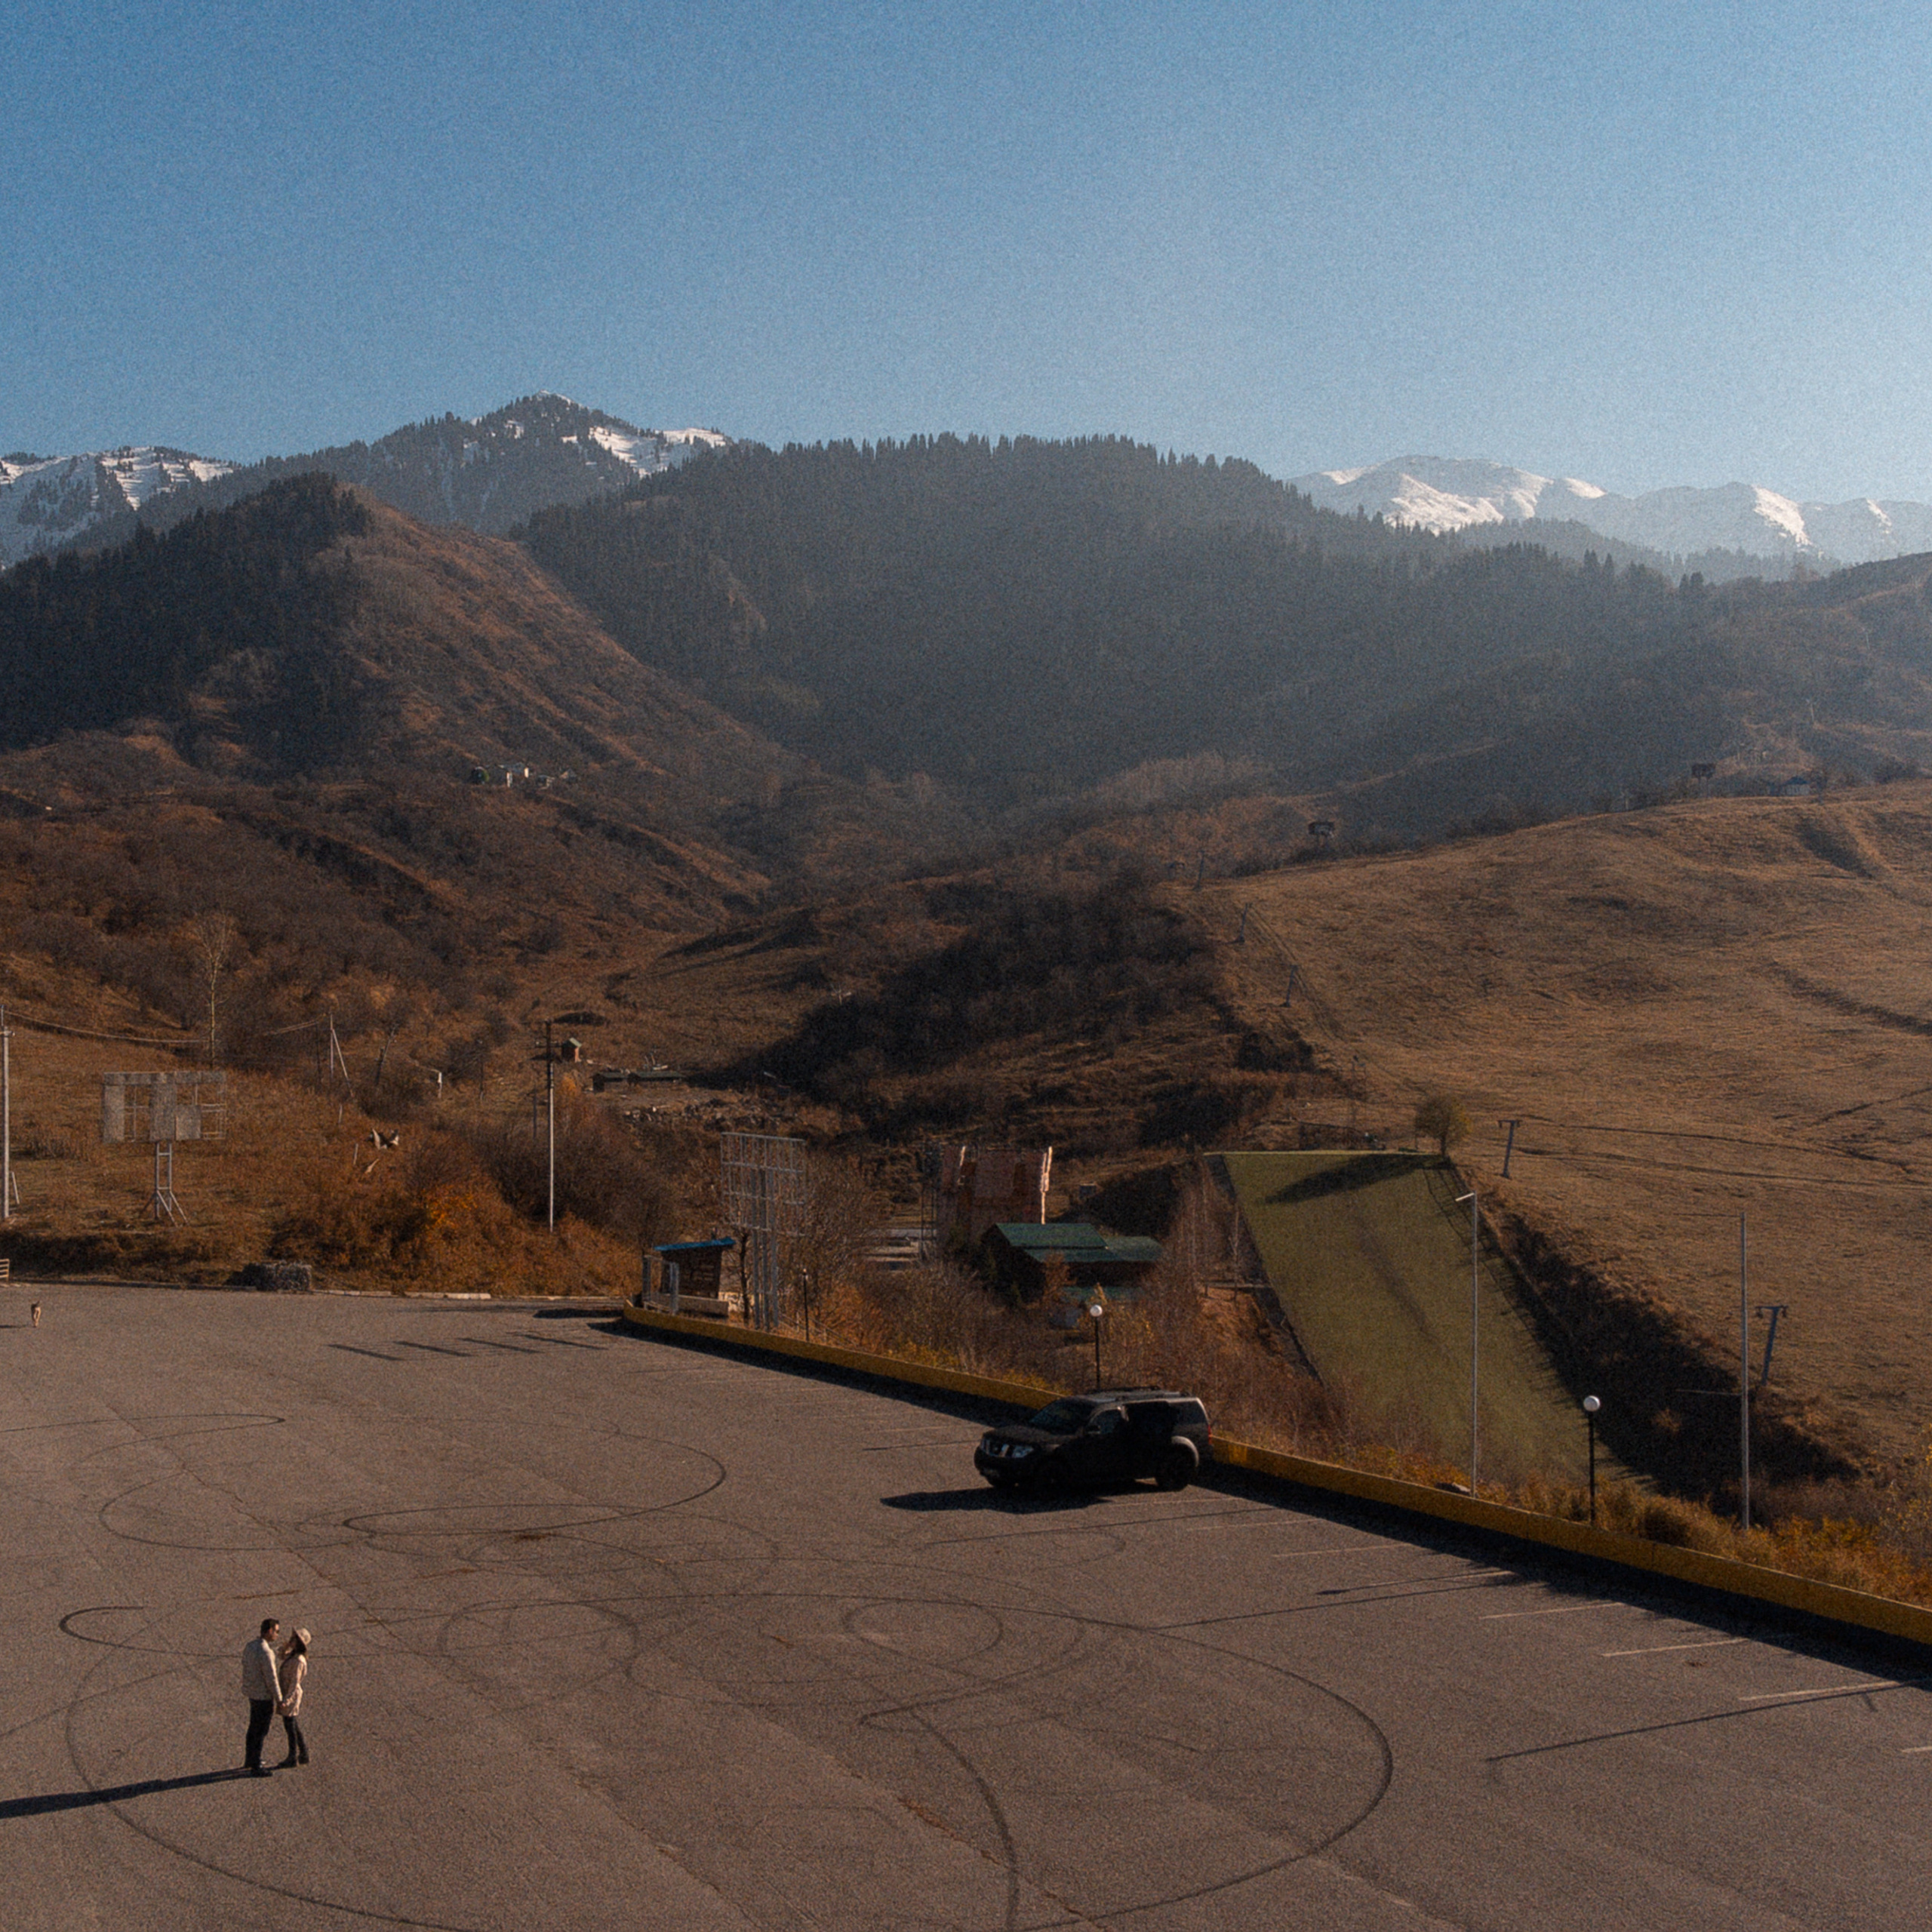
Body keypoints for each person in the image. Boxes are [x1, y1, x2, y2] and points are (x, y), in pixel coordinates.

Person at [242, 1617, 281, 1776]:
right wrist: (279, 1699)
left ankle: (250, 1759)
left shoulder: (250, 1646)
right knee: (261, 1731)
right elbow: (272, 1679)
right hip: (263, 1697)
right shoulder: (266, 1653)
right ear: (269, 1631)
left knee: (253, 1728)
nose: (277, 1635)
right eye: (276, 1631)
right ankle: (256, 1765)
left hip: (252, 1694)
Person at [276, 1628, 311, 1768]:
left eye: (295, 1639)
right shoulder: (293, 1655)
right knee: (293, 1724)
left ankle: (293, 1756)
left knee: (290, 1726)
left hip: (291, 1695)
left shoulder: (298, 1661)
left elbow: (294, 1683)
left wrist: (287, 1700)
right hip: (287, 1693)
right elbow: (280, 1655)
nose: (292, 1640)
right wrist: (286, 1646)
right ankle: (303, 1753)